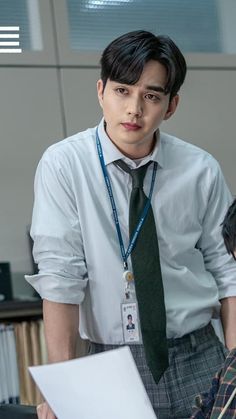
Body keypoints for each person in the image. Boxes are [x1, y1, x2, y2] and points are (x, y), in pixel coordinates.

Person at [25, 30, 236, 419]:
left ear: (171, 106)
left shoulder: (201, 170)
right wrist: (60, 386)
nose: (134, 109)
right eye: (122, 91)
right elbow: (60, 277)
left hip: (201, 354)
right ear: (101, 90)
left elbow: (229, 272)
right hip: (110, 361)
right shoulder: (64, 165)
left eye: (151, 96)